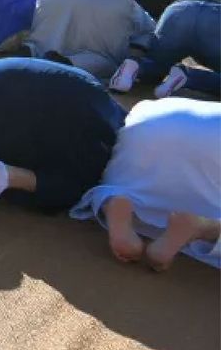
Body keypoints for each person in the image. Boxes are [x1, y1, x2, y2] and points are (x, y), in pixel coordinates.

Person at [0, 58, 125, 223]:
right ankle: (5, 174)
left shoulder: (87, 82)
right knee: (78, 183)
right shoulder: (114, 119)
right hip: (62, 103)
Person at [71, 98, 220, 270]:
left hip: (151, 119)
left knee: (124, 182)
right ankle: (204, 227)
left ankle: (111, 199)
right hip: (207, 156)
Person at [26, 0, 155, 83]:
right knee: (107, 63)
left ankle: (45, 60)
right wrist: (135, 58)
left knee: (46, 43)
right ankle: (68, 64)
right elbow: (148, 28)